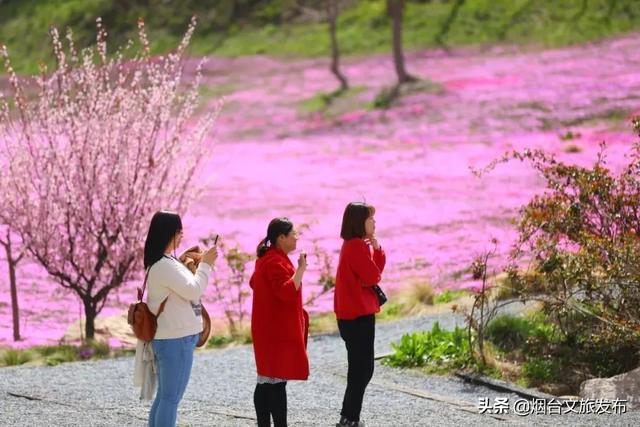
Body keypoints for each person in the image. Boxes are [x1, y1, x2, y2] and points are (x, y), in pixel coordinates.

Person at [144, 210, 218, 427]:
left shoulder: (163, 261)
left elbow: (185, 289)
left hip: (170, 337)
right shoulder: (166, 265)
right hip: (175, 339)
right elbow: (194, 291)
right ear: (171, 233)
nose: (181, 235)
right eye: (179, 231)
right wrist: (206, 265)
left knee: (165, 397)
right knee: (171, 399)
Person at [250, 217, 310, 427]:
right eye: (293, 234)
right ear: (281, 238)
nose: (296, 238)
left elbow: (254, 282)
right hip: (275, 331)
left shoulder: (268, 258)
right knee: (274, 381)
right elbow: (285, 291)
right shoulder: (275, 260)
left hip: (269, 327)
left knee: (269, 379)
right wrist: (300, 270)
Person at [334, 202, 386, 427]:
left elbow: (371, 275)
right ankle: (349, 418)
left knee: (360, 368)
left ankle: (349, 416)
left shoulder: (354, 245)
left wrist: (376, 251)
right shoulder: (355, 247)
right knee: (362, 369)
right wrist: (377, 251)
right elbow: (373, 277)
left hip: (354, 315)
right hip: (357, 316)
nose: (374, 222)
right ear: (359, 222)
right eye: (370, 218)